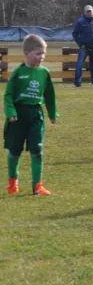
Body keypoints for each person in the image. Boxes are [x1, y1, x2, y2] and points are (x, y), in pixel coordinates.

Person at [4, 34, 58, 195]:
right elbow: (8, 95)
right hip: (18, 116)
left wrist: (52, 112)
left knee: (37, 150)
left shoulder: (44, 73)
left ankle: (37, 186)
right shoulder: (19, 73)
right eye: (37, 53)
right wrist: (10, 111)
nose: (41, 57)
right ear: (26, 53)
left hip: (36, 115)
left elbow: (49, 94)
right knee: (15, 152)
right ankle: (13, 182)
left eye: (43, 54)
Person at [72, 5, 93, 88]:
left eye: (90, 11)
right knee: (79, 65)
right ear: (84, 12)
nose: (89, 13)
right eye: (87, 11)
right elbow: (75, 34)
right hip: (84, 47)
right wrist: (80, 44)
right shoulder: (80, 22)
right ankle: (78, 83)